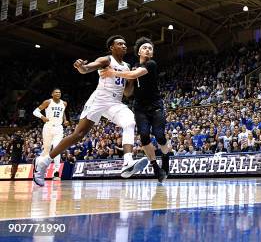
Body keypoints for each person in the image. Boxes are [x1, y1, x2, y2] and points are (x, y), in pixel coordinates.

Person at [32, 35, 148, 187]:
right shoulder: (106, 60)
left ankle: (128, 162)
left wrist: (131, 79)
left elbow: (127, 93)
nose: (124, 46)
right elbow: (87, 68)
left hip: (115, 103)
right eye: (120, 44)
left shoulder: (126, 66)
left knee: (130, 122)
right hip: (99, 100)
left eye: (125, 44)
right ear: (112, 48)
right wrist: (81, 67)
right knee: (78, 135)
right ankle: (44, 162)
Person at [101, 37, 171, 183]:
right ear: (139, 51)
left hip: (155, 105)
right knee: (144, 137)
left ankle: (165, 158)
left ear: (152, 54)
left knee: (159, 136)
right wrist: (129, 80)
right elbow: (127, 93)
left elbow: (133, 74)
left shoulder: (151, 64)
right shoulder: (132, 67)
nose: (147, 49)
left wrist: (113, 73)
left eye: (150, 48)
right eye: (145, 47)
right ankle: (156, 168)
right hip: (139, 107)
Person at [33, 88, 70, 179]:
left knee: (57, 147)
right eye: (56, 92)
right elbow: (35, 111)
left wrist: (65, 120)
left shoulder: (64, 103)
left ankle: (56, 172)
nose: (58, 93)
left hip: (58, 127)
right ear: (52, 94)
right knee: (46, 150)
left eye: (59, 92)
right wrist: (42, 117)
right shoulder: (47, 102)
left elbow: (63, 112)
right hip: (48, 127)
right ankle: (38, 163)